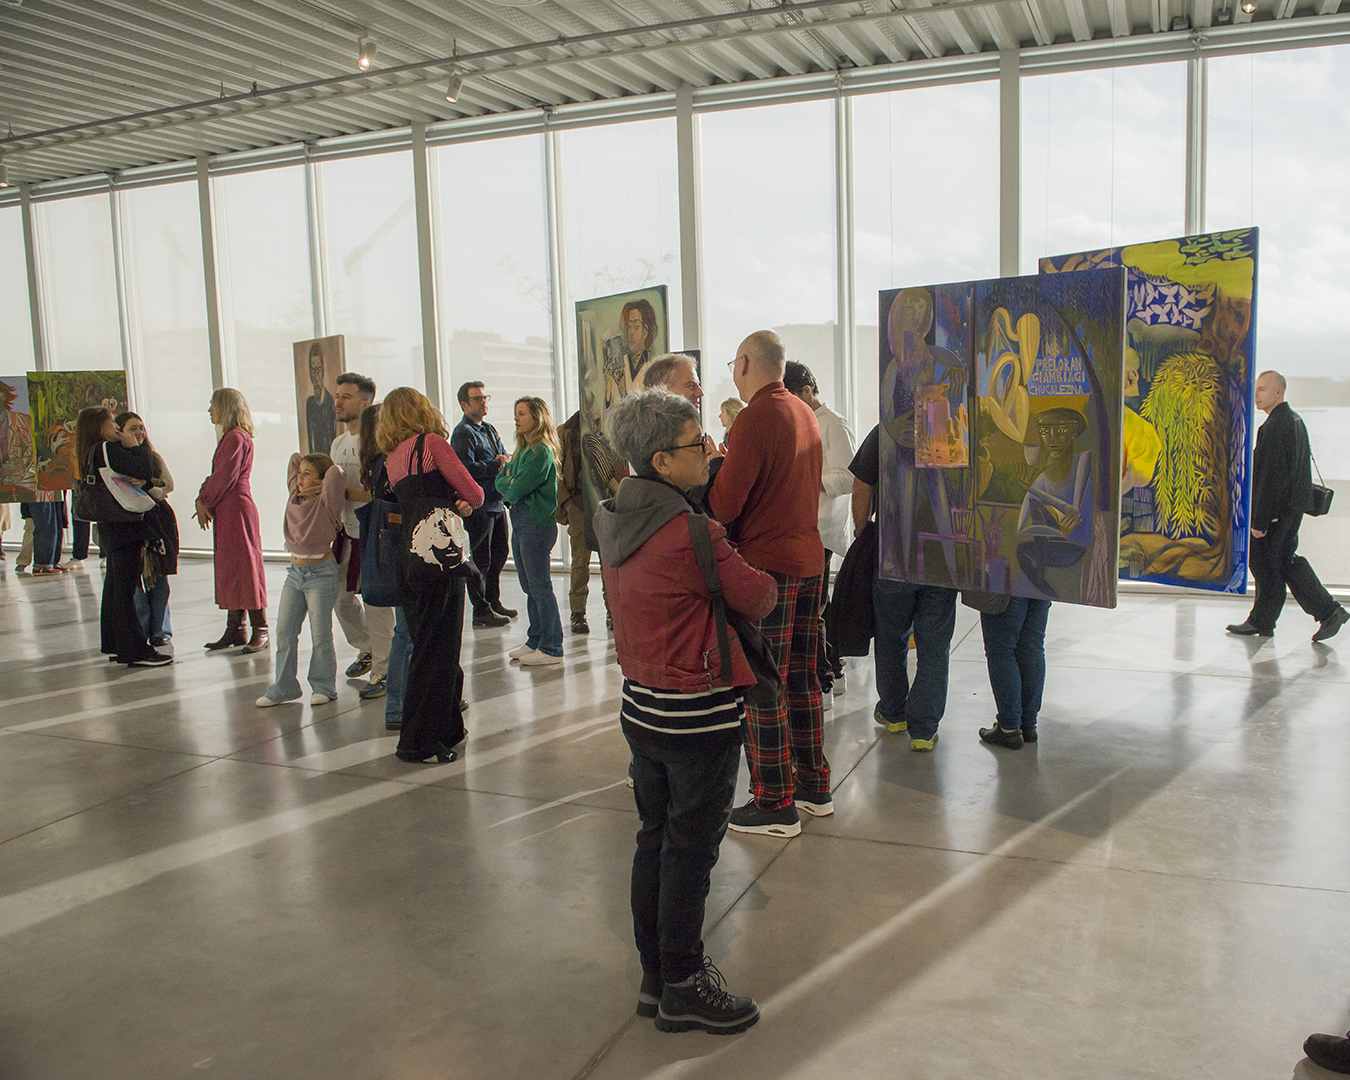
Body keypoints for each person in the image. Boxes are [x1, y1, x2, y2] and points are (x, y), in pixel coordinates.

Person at [595, 389, 774, 1036]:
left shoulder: (614, 517)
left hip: (642, 706)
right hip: (696, 714)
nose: (711, 452)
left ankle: (655, 976)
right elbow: (757, 599)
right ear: (663, 461)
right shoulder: (689, 533)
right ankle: (683, 982)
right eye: (700, 445)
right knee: (691, 853)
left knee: (654, 840)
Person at [708, 330, 828, 838]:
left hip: (768, 567)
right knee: (802, 676)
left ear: (746, 364)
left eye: (735, 362)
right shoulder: (805, 412)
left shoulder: (755, 416)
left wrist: (716, 465)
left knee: (761, 682)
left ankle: (774, 801)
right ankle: (813, 785)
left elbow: (724, 505)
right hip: (809, 561)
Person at [377, 387, 483, 764]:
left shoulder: (393, 458)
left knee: (425, 644)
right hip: (440, 556)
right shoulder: (432, 443)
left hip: (408, 557)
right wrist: (462, 505)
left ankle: (448, 728)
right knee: (441, 649)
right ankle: (419, 742)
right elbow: (475, 493)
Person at [850, 424, 957, 750]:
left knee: (890, 635)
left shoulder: (887, 428)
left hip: (894, 552)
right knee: (934, 644)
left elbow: (862, 484)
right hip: (943, 554)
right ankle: (924, 730)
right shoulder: (959, 427)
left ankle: (894, 713)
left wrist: (863, 530)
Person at [1227, 370, 1348, 642]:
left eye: (1262, 390)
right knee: (1271, 564)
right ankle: (1264, 620)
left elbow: (1271, 479)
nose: (1256, 394)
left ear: (1278, 392)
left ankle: (1329, 611)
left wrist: (1260, 522)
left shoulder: (1274, 427)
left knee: (1280, 563)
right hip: (1289, 510)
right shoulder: (1293, 421)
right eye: (1256, 389)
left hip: (1277, 514)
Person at [74, 407, 171, 667]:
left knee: (115, 586)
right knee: (124, 589)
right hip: (123, 524)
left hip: (111, 525)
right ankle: (135, 650)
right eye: (110, 422)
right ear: (99, 426)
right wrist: (135, 446)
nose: (115, 427)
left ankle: (116, 644)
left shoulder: (92, 450)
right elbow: (143, 467)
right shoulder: (106, 448)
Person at [784, 361, 856, 700]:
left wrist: (810, 479)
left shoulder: (834, 425)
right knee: (812, 609)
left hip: (822, 528)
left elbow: (849, 477)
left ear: (807, 392)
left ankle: (826, 678)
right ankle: (829, 671)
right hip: (799, 525)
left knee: (814, 610)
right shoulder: (795, 420)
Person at [256, 452, 347, 707]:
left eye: (307, 475)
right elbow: (294, 459)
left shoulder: (327, 503)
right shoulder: (293, 496)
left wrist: (322, 479)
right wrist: (305, 472)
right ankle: (284, 687)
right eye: (300, 474)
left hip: (321, 573)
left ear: (320, 480)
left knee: (320, 635)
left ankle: (324, 687)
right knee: (284, 632)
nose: (300, 478)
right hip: (295, 575)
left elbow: (336, 473)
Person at [330, 372, 395, 696]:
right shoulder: (338, 443)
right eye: (338, 395)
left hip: (374, 533)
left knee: (377, 606)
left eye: (346, 396)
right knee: (341, 600)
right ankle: (367, 647)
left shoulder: (377, 444)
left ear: (365, 402)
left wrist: (342, 493)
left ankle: (384, 671)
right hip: (346, 534)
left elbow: (379, 491)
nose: (338, 401)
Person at [196, 388, 268, 653]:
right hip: (227, 508)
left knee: (246, 565)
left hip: (236, 508)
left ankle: (260, 627)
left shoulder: (236, 438)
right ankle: (236, 627)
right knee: (231, 565)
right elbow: (218, 475)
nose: (209, 410)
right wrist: (202, 499)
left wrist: (203, 499)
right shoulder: (230, 437)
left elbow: (225, 476)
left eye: (213, 405)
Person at [357, 405, 412, 732]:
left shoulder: (376, 463)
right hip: (400, 550)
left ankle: (407, 701)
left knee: (407, 630)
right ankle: (397, 706)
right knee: (406, 630)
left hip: (388, 550)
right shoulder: (389, 463)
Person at [497, 397, 563, 667]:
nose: (516, 418)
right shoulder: (524, 449)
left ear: (536, 417)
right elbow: (502, 480)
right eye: (516, 414)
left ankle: (552, 647)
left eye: (522, 413)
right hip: (521, 522)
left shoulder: (540, 451)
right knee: (528, 586)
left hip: (536, 524)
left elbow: (514, 488)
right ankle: (535, 638)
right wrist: (508, 477)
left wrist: (509, 479)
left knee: (539, 587)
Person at [451, 381, 517, 630]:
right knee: (481, 560)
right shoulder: (462, 433)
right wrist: (495, 464)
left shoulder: (488, 429)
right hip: (479, 504)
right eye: (477, 398)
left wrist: (501, 461)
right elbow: (464, 469)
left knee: (500, 553)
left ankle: (493, 601)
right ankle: (480, 610)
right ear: (465, 404)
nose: (483, 402)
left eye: (484, 397)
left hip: (497, 501)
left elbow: (503, 456)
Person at [116, 412, 176, 645]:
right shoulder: (118, 459)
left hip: (157, 524)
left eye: (141, 427)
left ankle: (160, 631)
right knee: (135, 585)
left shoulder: (153, 457)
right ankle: (142, 630)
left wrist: (149, 485)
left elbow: (169, 484)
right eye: (133, 429)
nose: (140, 432)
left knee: (159, 578)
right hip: (131, 525)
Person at [976, 593, 1051, 750]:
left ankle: (1009, 728)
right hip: (1043, 578)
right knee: (1033, 648)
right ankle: (1028, 725)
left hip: (1006, 580)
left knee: (1001, 650)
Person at [556, 409, 593, 634]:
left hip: (602, 502)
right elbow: (557, 472)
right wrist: (567, 503)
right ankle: (578, 613)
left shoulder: (607, 428)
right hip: (578, 503)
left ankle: (611, 613)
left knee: (608, 562)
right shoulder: (566, 432)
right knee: (580, 562)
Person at [303, 341, 336, 454]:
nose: (316, 376)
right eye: (313, 371)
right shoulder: (310, 403)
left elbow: (333, 434)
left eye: (318, 370)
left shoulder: (329, 400)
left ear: (322, 372)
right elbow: (309, 437)